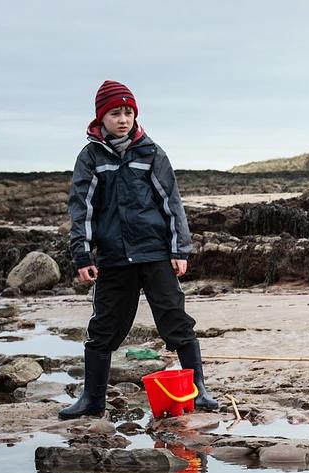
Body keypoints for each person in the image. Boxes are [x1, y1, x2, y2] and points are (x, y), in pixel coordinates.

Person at [60, 80, 218, 419]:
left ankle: (199, 391)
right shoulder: (90, 157)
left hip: (156, 254)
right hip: (114, 258)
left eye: (128, 112)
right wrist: (83, 255)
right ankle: (92, 399)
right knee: (103, 328)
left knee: (176, 321)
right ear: (101, 117)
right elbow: (81, 208)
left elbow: (172, 204)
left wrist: (180, 250)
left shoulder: (152, 153)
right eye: (115, 113)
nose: (123, 119)